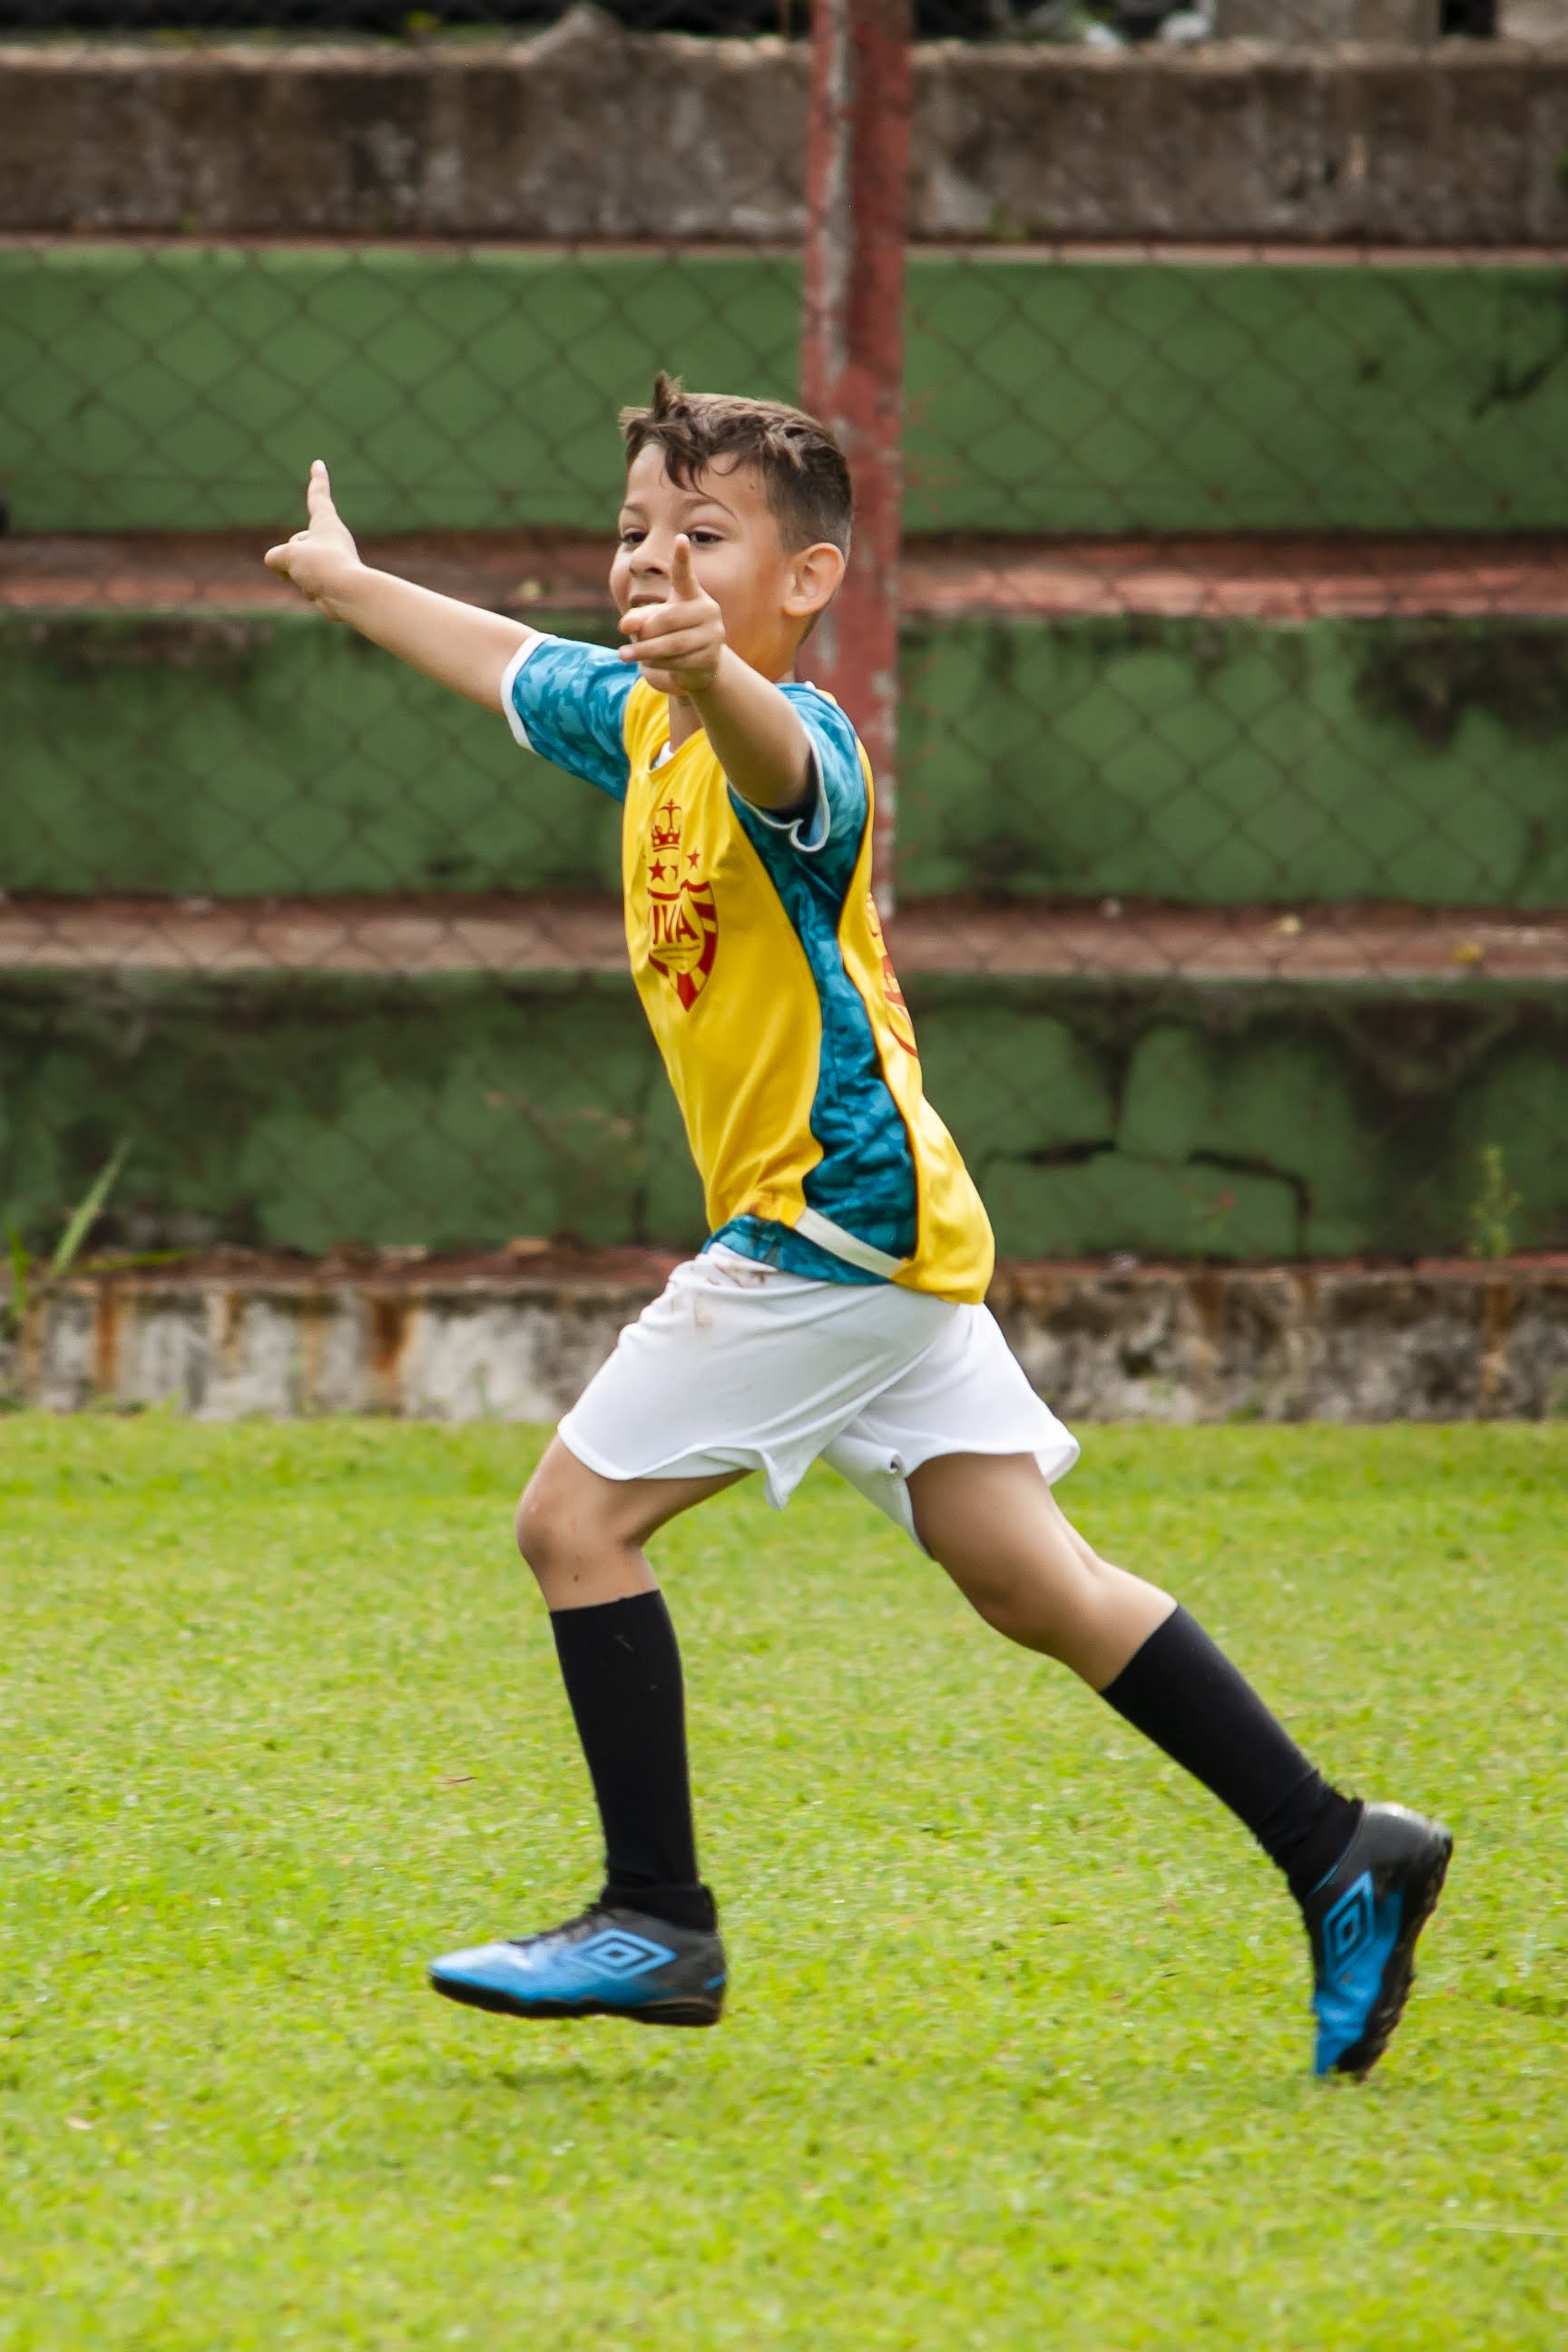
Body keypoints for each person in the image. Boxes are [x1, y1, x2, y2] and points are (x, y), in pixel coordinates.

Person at [264, 375, 1450, 2077]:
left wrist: (714, 672)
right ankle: (1345, 1852)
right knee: (1029, 1574)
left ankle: (657, 1919)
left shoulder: (793, 740)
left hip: (830, 1229)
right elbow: (504, 662)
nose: (649, 561)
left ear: (806, 581)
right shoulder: (640, 718)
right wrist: (345, 577)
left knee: (573, 1525)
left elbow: (767, 739)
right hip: (898, 1235)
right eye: (632, 531)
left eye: (703, 534)